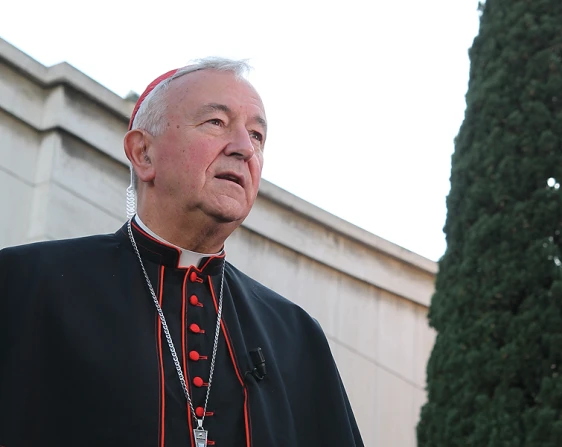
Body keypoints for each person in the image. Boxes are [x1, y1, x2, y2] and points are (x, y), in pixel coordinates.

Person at [0, 57, 364, 447]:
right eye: (216, 123)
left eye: (257, 135)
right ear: (143, 153)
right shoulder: (26, 285)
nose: (244, 148)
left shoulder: (295, 334)